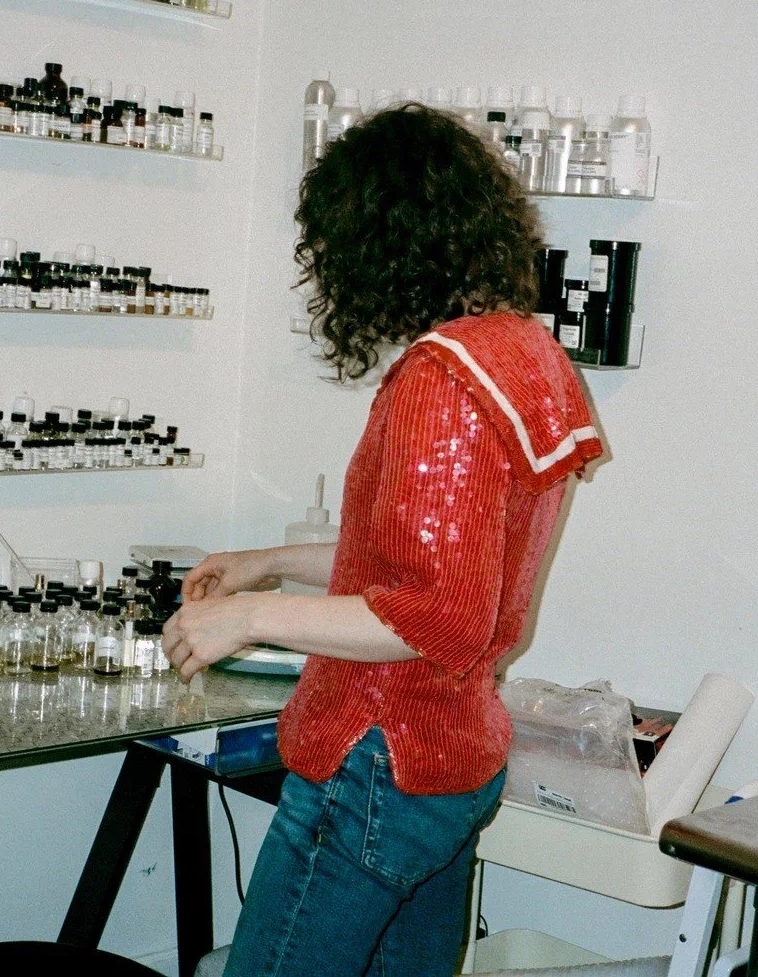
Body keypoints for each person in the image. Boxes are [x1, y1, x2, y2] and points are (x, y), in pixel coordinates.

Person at [162, 104, 604, 977]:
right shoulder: (525, 355)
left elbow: (432, 614)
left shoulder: (440, 381)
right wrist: (271, 564)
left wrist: (245, 616)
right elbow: (439, 564)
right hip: (453, 759)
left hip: (378, 764)